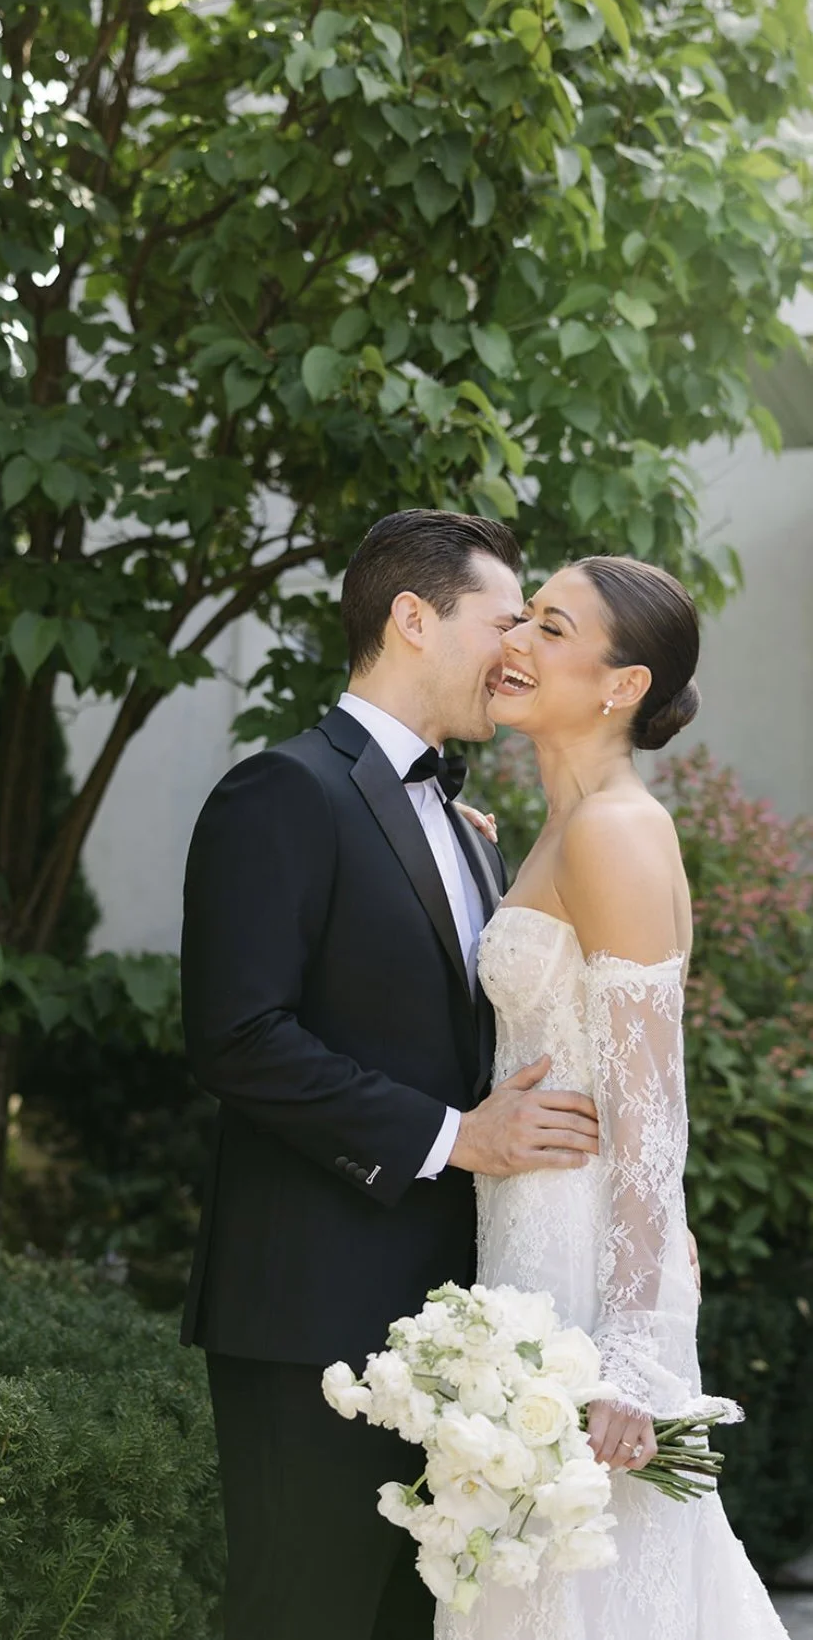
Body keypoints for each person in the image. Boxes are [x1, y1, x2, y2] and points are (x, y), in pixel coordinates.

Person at [179, 510, 601, 1640]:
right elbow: (237, 1037)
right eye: (502, 620)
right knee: (298, 1615)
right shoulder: (280, 793)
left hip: (451, 1329)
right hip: (307, 1317)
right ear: (412, 619)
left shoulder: (466, 825)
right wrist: (453, 1137)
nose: (518, 648)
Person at [436, 555, 784, 1640]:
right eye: (520, 619)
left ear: (620, 684)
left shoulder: (615, 832)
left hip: (589, 1269)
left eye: (550, 626)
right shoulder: (559, 824)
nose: (516, 644)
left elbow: (651, 1119)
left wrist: (632, 1353)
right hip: (527, 1249)